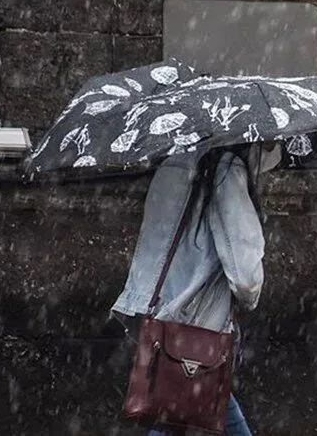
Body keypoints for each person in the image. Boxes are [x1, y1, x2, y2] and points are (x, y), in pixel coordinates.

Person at [111, 142, 282, 435]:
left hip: (158, 315)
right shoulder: (227, 170)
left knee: (176, 409)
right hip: (199, 322)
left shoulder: (173, 163)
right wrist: (250, 296)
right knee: (183, 407)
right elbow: (245, 276)